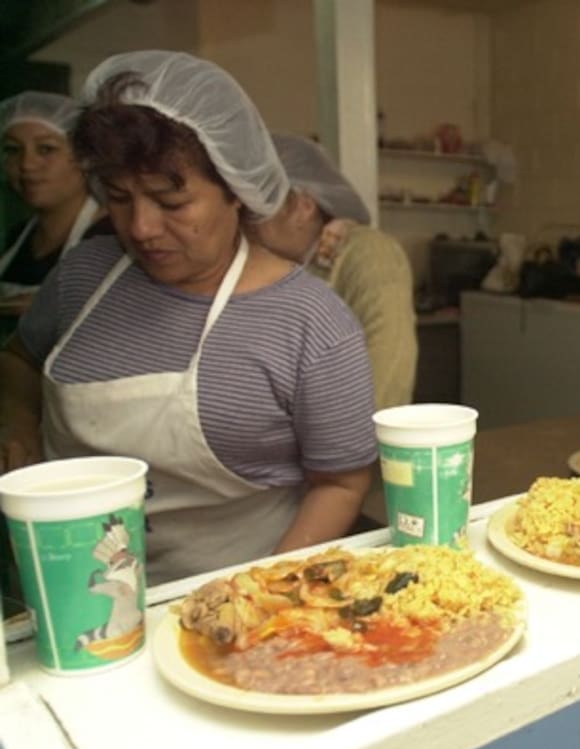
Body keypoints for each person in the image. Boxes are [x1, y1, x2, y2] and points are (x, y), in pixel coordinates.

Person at [0, 51, 379, 585]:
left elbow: (340, 484)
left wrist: (267, 590)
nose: (142, 226)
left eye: (170, 201)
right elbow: (19, 358)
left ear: (236, 190)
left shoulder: (310, 322)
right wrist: (17, 422)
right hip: (66, 589)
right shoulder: (83, 275)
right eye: (120, 198)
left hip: (225, 600)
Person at [250, 132, 417, 409]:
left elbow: (390, 367)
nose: (247, 221)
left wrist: (347, 445)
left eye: (259, 207)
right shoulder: (279, 266)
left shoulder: (369, 253)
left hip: (352, 446)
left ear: (303, 206)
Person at [0, 91, 108, 301]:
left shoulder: (110, 236)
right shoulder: (18, 235)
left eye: (46, 149)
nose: (26, 165)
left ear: (84, 158)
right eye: (13, 150)